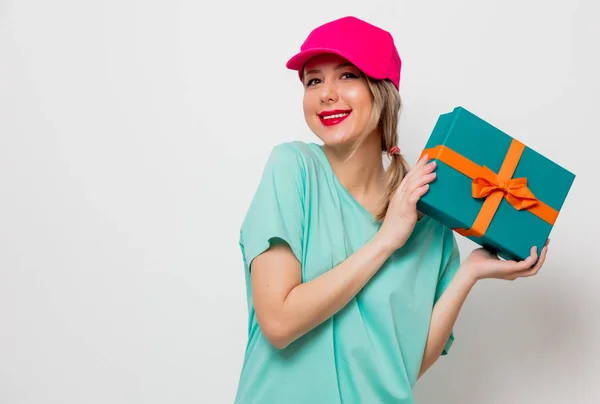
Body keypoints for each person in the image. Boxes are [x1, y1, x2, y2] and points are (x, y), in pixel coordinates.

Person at [233, 16, 549, 404]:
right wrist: (386, 240)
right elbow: (278, 322)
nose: (326, 94)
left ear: (382, 92)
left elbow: (404, 364)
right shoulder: (292, 169)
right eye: (313, 80)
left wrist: (470, 273)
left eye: (347, 76)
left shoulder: (426, 213)